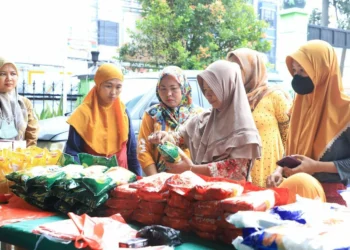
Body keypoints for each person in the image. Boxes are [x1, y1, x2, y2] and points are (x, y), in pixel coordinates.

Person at [266, 40, 350, 205]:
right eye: (295, 71)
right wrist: (279, 170)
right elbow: (294, 152)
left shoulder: (346, 110)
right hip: (294, 194)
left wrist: (316, 166)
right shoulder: (299, 105)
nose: (298, 77)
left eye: (303, 71)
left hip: (329, 201)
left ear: (322, 71)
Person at [149, 60, 261, 181]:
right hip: (202, 192)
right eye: (205, 90)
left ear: (229, 86)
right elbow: (179, 137)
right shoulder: (204, 119)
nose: (208, 95)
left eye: (213, 89)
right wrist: (165, 137)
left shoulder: (244, 130)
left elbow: (236, 171)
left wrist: (190, 169)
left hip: (232, 195)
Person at [226, 48, 292, 187]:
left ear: (252, 68)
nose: (234, 72)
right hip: (238, 173)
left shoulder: (274, 96)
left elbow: (290, 138)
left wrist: (280, 170)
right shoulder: (230, 98)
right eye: (231, 68)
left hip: (269, 173)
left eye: (239, 68)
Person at [64, 63, 141, 176]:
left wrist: (136, 178)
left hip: (121, 179)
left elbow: (131, 151)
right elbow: (72, 152)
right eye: (108, 86)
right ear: (98, 85)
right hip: (92, 182)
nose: (113, 92)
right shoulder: (83, 113)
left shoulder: (123, 112)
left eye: (118, 87)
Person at [137, 66, 203, 175]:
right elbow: (143, 149)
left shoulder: (199, 115)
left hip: (193, 177)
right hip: (160, 178)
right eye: (163, 88)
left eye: (173, 88)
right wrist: (156, 179)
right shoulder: (152, 114)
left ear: (183, 88)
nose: (168, 94)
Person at [0, 57, 39, 146]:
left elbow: (32, 134)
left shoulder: (24, 103)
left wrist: (28, 153)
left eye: (13, 74)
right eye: (2, 74)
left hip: (19, 156)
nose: (9, 78)